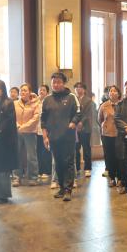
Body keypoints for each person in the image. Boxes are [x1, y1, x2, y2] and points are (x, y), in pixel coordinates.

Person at [41, 73, 82, 201]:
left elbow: (78, 113)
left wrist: (73, 122)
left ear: (64, 83)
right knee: (58, 163)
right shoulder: (47, 99)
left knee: (68, 162)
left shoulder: (71, 97)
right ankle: (62, 188)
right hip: (53, 137)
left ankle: (68, 189)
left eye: (59, 82)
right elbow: (43, 120)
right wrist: (45, 137)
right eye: (54, 82)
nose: (56, 85)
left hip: (68, 137)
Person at [12, 83, 41, 187]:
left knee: (31, 156)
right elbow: (12, 116)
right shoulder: (15, 103)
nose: (23, 92)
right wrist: (18, 126)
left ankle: (33, 177)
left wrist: (23, 127)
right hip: (17, 132)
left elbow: (36, 118)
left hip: (30, 132)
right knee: (16, 155)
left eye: (25, 90)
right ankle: (16, 177)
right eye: (21, 90)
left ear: (30, 92)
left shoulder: (35, 103)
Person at [98, 85, 120, 187]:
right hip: (107, 134)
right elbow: (99, 119)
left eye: (114, 91)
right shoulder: (104, 105)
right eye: (110, 91)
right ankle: (112, 177)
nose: (112, 92)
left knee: (119, 156)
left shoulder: (122, 104)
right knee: (109, 156)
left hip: (119, 134)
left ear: (118, 94)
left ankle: (120, 177)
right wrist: (104, 126)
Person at [74, 82, 93, 178]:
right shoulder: (73, 99)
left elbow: (87, 114)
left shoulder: (88, 100)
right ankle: (77, 168)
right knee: (75, 149)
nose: (78, 89)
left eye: (80, 87)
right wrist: (75, 123)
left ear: (84, 90)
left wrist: (81, 122)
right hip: (74, 128)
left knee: (86, 148)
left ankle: (87, 168)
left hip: (85, 128)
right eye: (76, 87)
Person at [36, 85, 52, 181]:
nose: (41, 91)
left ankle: (47, 171)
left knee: (46, 151)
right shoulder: (35, 102)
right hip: (36, 130)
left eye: (43, 90)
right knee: (38, 151)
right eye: (40, 90)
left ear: (47, 92)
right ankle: (40, 170)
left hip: (46, 130)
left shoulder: (49, 102)